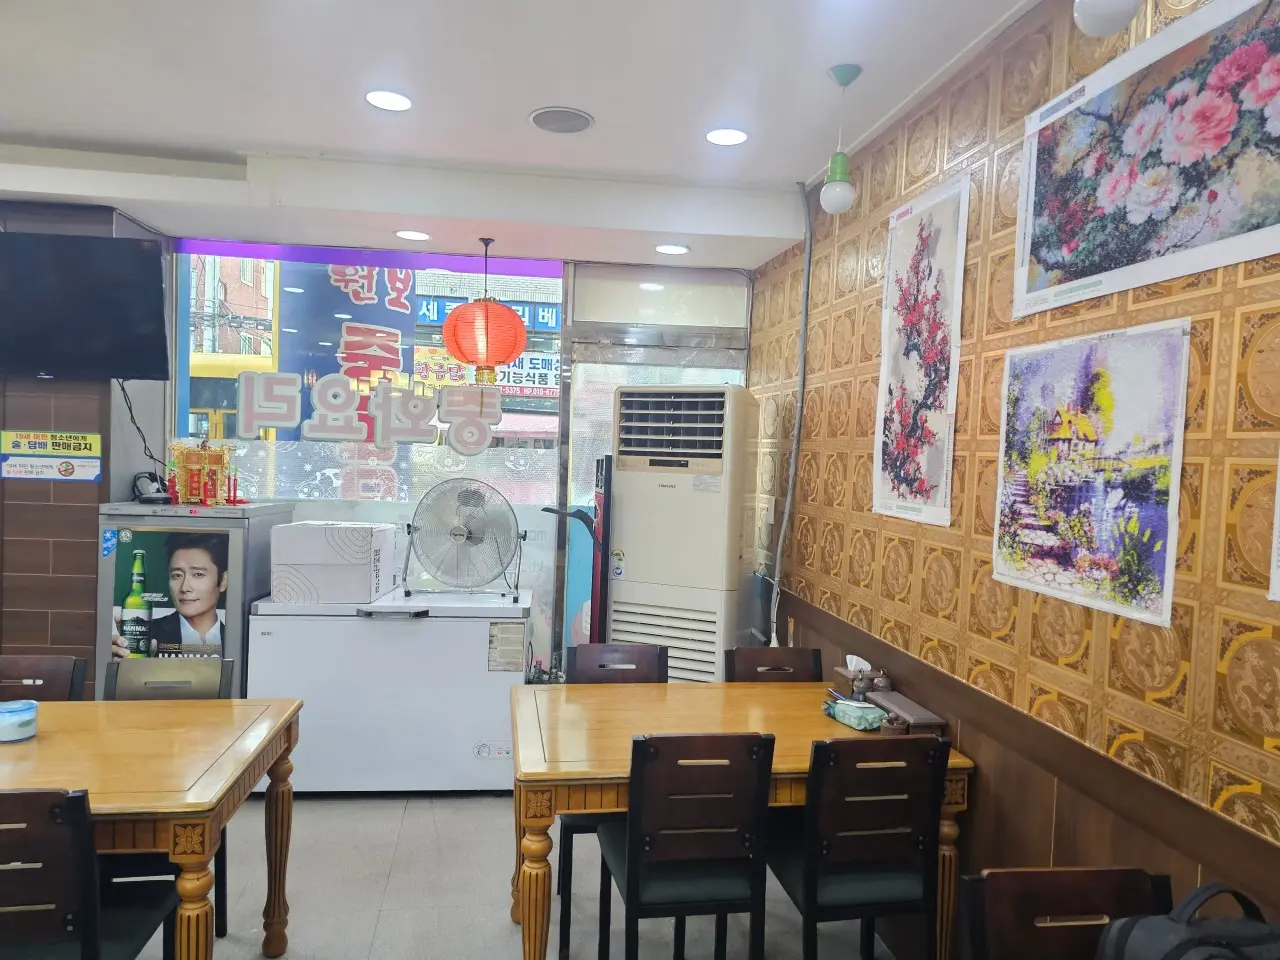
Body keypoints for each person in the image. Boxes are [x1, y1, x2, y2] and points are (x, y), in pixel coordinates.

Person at [111, 533, 229, 659]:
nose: (184, 588)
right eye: (177, 575)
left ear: (223, 581)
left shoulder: (236, 640)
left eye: (198, 574)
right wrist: (117, 663)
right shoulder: (148, 634)